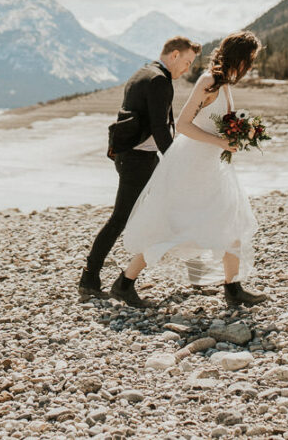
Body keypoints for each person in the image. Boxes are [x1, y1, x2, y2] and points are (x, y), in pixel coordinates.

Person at [113, 30, 269, 309]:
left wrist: (240, 134)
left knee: (230, 219)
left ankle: (233, 288)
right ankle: (124, 283)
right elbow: (184, 125)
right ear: (239, 57)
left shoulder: (225, 85)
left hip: (212, 165)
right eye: (250, 59)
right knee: (172, 226)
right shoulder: (208, 81)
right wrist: (221, 140)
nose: (251, 66)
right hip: (192, 164)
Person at [78, 36, 201, 301]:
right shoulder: (158, 80)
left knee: (165, 210)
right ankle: (93, 278)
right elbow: (159, 128)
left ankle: (192, 271)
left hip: (135, 157)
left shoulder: (143, 72)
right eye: (187, 62)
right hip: (138, 160)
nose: (187, 69)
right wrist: (175, 160)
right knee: (121, 218)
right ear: (175, 55)